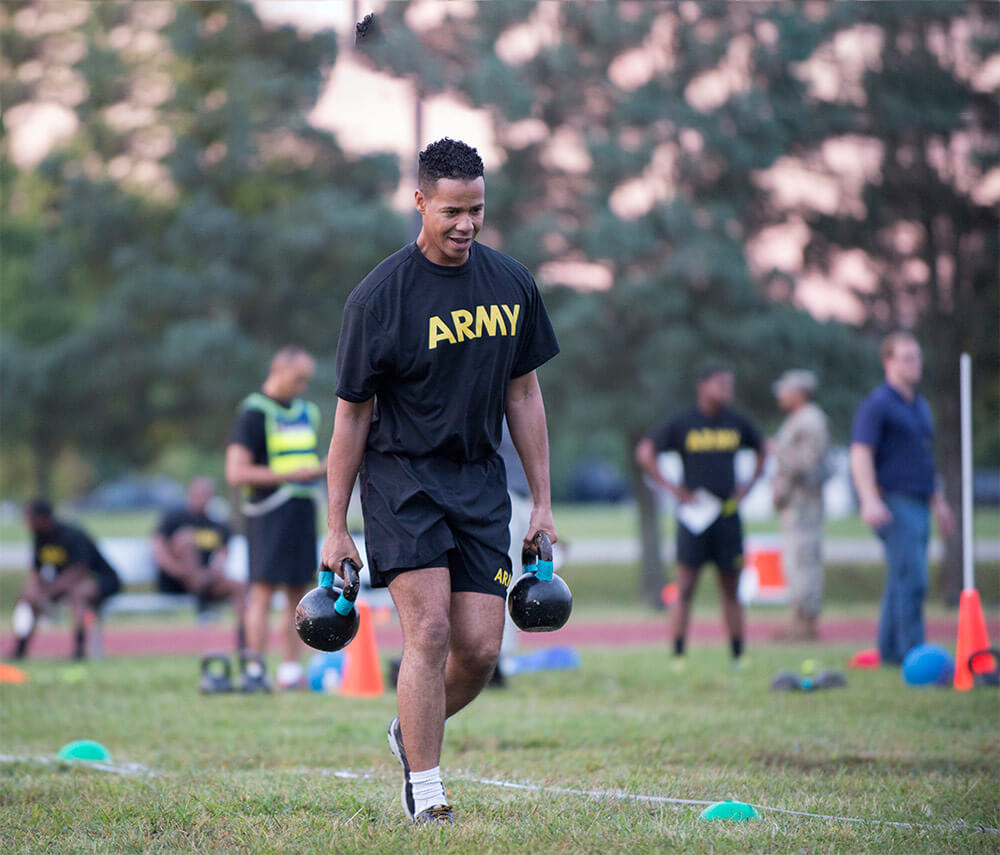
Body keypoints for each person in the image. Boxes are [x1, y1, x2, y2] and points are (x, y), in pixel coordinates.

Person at [322, 138, 559, 825]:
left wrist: (542, 502)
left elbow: (524, 396)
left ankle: (409, 730)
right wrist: (337, 525)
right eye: (452, 210)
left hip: (480, 481)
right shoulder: (378, 299)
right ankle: (425, 787)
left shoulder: (512, 284)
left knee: (480, 649)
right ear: (421, 202)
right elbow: (351, 415)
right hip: (402, 480)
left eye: (477, 210)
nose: (466, 224)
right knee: (426, 629)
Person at [635, 365, 765, 670]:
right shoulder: (684, 422)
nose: (727, 390)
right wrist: (671, 488)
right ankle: (678, 654)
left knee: (731, 588)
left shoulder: (737, 422)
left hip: (727, 516)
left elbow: (764, 449)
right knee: (686, 586)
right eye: (720, 384)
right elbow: (645, 451)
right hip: (694, 518)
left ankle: (737, 654)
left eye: (729, 384)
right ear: (702, 386)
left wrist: (748, 486)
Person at [225, 346, 326, 691]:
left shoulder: (308, 412)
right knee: (263, 592)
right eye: (297, 379)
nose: (301, 386)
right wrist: (293, 474)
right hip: (268, 513)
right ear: (277, 369)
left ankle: (289, 671)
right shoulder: (254, 413)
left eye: (306, 381)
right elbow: (236, 472)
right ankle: (254, 668)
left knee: (299, 594)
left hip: (301, 511)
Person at [850, 332, 954, 666]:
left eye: (918, 356)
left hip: (921, 502)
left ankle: (891, 652)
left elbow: (922, 458)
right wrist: (868, 498)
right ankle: (914, 654)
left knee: (900, 578)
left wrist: (938, 502)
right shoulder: (878, 404)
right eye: (907, 357)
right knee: (913, 579)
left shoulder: (920, 406)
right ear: (888, 362)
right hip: (893, 501)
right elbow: (860, 452)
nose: (915, 363)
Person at [9, 499, 121, 660]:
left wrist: (49, 592)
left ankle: (79, 650)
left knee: (79, 593)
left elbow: (79, 571)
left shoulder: (71, 534)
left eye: (29, 518)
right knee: (29, 595)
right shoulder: (39, 536)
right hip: (64, 584)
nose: (26, 522)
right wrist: (35, 590)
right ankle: (20, 649)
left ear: (43, 518)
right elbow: (36, 570)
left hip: (101, 580)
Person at [770, 370, 830, 641]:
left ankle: (806, 623)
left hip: (804, 505)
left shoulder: (810, 420)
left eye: (785, 390)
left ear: (800, 392)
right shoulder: (798, 420)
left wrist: (777, 452)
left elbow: (808, 463)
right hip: (794, 505)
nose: (780, 395)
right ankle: (798, 620)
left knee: (804, 560)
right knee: (795, 561)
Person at [152, 476, 247, 646]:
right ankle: (201, 601)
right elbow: (158, 550)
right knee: (186, 540)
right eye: (198, 494)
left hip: (207, 581)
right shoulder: (175, 517)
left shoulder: (219, 525)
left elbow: (222, 557)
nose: (202, 498)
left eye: (206, 495)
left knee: (238, 586)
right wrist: (180, 571)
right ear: (190, 493)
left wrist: (208, 575)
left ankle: (245, 642)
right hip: (175, 581)